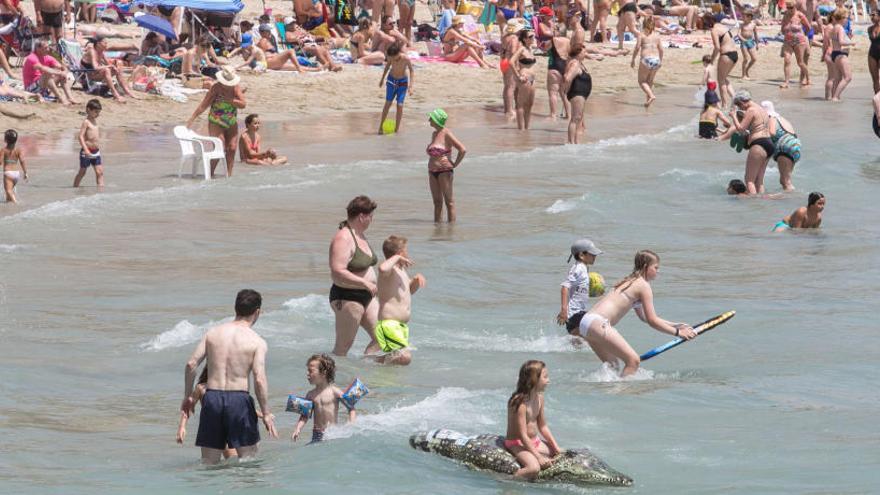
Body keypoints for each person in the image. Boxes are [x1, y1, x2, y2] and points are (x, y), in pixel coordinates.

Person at [181, 289, 278, 464]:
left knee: (208, 464)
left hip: (212, 399)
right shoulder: (257, 341)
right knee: (248, 462)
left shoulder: (212, 333)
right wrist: (266, 413)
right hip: (238, 400)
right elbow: (259, 379)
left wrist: (188, 396)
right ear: (257, 312)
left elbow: (191, 364)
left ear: (235, 308)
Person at [575, 250, 696, 377]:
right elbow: (652, 320)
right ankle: (622, 394)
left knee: (613, 367)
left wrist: (676, 325)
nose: (658, 271)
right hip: (598, 323)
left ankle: (607, 393)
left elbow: (644, 317)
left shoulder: (631, 280)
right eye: (656, 267)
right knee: (633, 361)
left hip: (586, 322)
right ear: (645, 267)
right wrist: (678, 333)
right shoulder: (643, 286)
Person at [329, 195, 381, 357]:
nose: (372, 220)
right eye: (371, 217)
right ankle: (329, 380)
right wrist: (365, 283)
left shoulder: (360, 235)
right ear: (361, 216)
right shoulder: (343, 238)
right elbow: (338, 270)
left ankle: (365, 371)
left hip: (367, 296)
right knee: (342, 348)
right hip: (348, 298)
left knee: (383, 338)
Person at [372, 235, 426, 366]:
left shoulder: (401, 271)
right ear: (400, 253)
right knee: (404, 357)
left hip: (400, 326)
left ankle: (372, 365)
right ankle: (371, 364)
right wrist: (396, 258)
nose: (408, 254)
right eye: (406, 251)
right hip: (389, 323)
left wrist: (415, 281)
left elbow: (408, 293)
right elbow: (382, 268)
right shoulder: (389, 271)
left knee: (396, 361)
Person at [176, 366, 250, 459]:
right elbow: (189, 408)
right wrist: (182, 427)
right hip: (209, 432)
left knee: (233, 463)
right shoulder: (201, 388)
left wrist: (262, 415)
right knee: (209, 467)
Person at [504, 360, 562, 480]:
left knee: (559, 455)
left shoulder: (540, 398)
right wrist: (538, 457)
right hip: (517, 443)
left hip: (534, 441)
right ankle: (505, 481)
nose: (548, 381)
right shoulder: (520, 403)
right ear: (534, 380)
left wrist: (556, 448)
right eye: (545, 377)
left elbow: (543, 426)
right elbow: (522, 435)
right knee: (533, 468)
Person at [186, 66, 246, 177]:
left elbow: (243, 104)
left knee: (232, 148)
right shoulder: (216, 88)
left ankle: (229, 175)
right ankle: (210, 173)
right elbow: (204, 105)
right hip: (216, 121)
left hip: (231, 121)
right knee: (220, 148)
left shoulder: (236, 88)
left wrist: (231, 100)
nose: (228, 85)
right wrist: (192, 119)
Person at [291, 354, 357, 443]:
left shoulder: (335, 392)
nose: (307, 374)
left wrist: (351, 424)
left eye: (311, 371)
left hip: (333, 433)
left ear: (323, 373)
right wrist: (298, 428)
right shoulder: (310, 395)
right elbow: (304, 415)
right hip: (317, 434)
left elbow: (351, 408)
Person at [426, 109, 466, 223]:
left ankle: (450, 232)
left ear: (436, 120)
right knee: (437, 203)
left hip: (445, 171)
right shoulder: (434, 134)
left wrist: (455, 164)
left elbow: (462, 149)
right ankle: (437, 231)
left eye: (431, 118)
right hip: (432, 171)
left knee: (449, 202)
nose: (429, 120)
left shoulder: (447, 133)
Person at [730, 90, 772, 195]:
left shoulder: (751, 110)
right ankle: (761, 203)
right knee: (759, 180)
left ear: (743, 101)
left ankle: (753, 204)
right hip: (769, 144)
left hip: (758, 144)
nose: (740, 108)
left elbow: (741, 129)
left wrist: (733, 116)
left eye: (739, 105)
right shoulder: (763, 110)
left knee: (749, 180)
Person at [556, 239, 602, 333]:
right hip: (574, 314)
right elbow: (565, 287)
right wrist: (563, 310)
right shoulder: (578, 268)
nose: (595, 256)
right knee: (601, 324)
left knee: (578, 343)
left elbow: (577, 289)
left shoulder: (584, 268)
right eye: (592, 254)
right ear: (581, 255)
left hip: (575, 314)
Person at [82, 36, 140, 102]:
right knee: (106, 70)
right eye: (105, 43)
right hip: (89, 75)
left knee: (117, 69)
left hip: (96, 73)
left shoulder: (101, 52)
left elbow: (108, 64)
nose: (107, 44)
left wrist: (114, 67)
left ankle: (128, 92)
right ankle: (116, 94)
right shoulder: (92, 51)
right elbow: (96, 67)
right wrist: (110, 66)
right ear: (98, 44)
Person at [22, 40, 77, 106]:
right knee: (47, 73)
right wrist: (59, 73)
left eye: (48, 47)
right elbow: (43, 68)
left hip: (43, 88)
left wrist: (64, 70)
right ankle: (61, 99)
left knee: (61, 74)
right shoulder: (31, 58)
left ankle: (70, 98)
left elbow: (62, 67)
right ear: (38, 48)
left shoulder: (47, 57)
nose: (48, 50)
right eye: (45, 48)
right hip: (31, 89)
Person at [761, 101, 800, 191]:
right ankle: (788, 197)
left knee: (785, 181)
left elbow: (772, 132)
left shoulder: (771, 118)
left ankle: (790, 199)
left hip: (784, 147)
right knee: (786, 180)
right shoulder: (782, 119)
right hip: (795, 146)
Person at [377, 42, 413, 134]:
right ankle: (380, 127)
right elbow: (387, 67)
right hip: (391, 80)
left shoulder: (405, 58)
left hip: (402, 82)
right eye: (390, 57)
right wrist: (382, 79)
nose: (391, 59)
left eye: (393, 57)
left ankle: (396, 130)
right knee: (388, 103)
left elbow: (411, 71)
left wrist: (411, 86)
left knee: (400, 105)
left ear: (397, 54)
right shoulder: (391, 58)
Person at [563, 43, 594, 144]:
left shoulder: (579, 63)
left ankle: (576, 141)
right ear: (578, 53)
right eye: (584, 52)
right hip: (577, 93)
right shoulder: (575, 63)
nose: (585, 54)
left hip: (581, 94)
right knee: (575, 118)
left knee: (579, 118)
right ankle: (571, 142)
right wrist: (566, 88)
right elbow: (567, 77)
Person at [631, 16, 662, 108]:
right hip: (656, 60)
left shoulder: (641, 35)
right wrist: (660, 60)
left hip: (646, 59)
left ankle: (651, 96)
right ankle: (648, 100)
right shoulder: (657, 36)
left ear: (643, 24)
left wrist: (633, 59)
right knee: (650, 81)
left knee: (641, 81)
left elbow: (637, 48)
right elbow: (661, 50)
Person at [72, 99, 104, 188]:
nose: (97, 114)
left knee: (100, 172)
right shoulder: (86, 122)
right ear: (88, 110)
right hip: (86, 151)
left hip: (96, 151)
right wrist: (86, 149)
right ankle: (75, 188)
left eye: (99, 112)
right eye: (96, 112)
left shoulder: (94, 121)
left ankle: (100, 191)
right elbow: (80, 136)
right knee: (82, 172)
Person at [780, 2, 812, 88]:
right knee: (787, 60)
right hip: (788, 41)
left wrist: (802, 36)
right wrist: (786, 31)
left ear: (795, 7)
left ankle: (808, 79)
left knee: (800, 63)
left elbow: (808, 28)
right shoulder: (786, 15)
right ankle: (786, 82)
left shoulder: (800, 15)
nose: (789, 9)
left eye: (791, 7)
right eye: (788, 7)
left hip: (799, 41)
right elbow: (782, 28)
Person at [511, 29, 538, 129]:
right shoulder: (521, 49)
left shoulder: (530, 49)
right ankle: (520, 128)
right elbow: (511, 62)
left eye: (533, 36)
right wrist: (518, 76)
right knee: (521, 104)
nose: (533, 38)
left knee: (530, 104)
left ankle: (527, 127)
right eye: (530, 37)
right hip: (524, 78)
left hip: (532, 79)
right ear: (524, 39)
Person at [710, 16, 738, 108]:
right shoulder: (723, 27)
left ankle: (724, 104)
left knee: (721, 80)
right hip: (735, 54)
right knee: (724, 78)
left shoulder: (714, 30)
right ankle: (735, 99)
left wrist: (712, 60)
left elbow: (717, 47)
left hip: (726, 55)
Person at [828, 8, 854, 101]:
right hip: (841, 54)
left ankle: (834, 97)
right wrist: (852, 43)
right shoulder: (840, 28)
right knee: (848, 77)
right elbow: (841, 42)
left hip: (835, 54)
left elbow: (835, 40)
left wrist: (849, 38)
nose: (847, 20)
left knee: (838, 78)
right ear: (842, 18)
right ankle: (835, 97)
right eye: (846, 18)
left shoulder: (834, 27)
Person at [501, 24, 522, 120]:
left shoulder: (505, 37)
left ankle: (506, 109)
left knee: (507, 86)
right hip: (510, 61)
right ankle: (510, 110)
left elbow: (502, 50)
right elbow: (513, 51)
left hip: (503, 61)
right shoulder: (514, 38)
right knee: (511, 87)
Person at [2, 129, 27, 204]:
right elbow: (22, 161)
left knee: (8, 191)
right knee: (8, 195)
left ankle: (16, 204)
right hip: (16, 174)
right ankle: (8, 206)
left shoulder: (3, 150)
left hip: (8, 173)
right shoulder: (18, 150)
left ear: (5, 139)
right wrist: (25, 173)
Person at [739, 10, 758, 80]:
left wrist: (757, 43)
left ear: (749, 17)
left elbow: (756, 34)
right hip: (743, 42)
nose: (742, 18)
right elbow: (738, 34)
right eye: (742, 16)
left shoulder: (753, 25)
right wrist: (742, 39)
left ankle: (746, 69)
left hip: (751, 41)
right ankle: (743, 75)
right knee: (746, 58)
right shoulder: (742, 25)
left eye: (744, 17)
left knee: (754, 58)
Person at [868, 10, 880, 93]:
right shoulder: (869, 29)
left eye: (873, 15)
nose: (871, 17)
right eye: (870, 15)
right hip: (872, 54)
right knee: (875, 79)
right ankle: (877, 98)